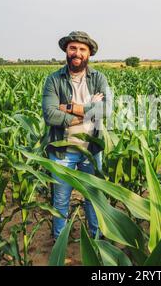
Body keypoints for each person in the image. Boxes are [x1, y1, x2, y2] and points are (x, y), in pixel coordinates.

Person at [42, 31, 111, 240]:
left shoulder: (98, 78)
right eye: (73, 48)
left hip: (91, 150)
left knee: (94, 198)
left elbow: (106, 110)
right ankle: (59, 244)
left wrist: (69, 107)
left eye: (82, 49)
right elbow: (50, 115)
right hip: (63, 151)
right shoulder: (54, 80)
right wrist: (89, 111)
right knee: (61, 200)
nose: (77, 53)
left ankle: (97, 240)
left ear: (89, 53)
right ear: (66, 51)